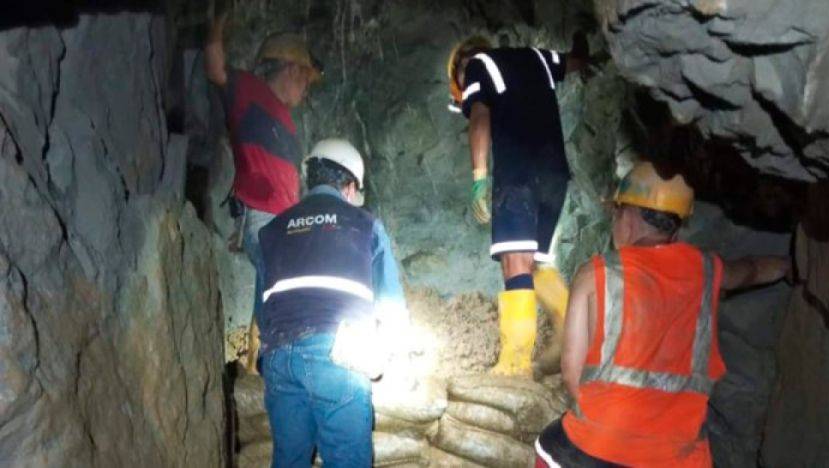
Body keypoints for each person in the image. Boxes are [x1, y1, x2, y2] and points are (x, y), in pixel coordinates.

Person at [534, 161, 791, 467]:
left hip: (599, 443)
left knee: (547, 449)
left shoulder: (596, 274)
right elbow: (751, 271)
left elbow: (571, 369)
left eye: (616, 211)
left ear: (628, 216)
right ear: (676, 225)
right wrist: (790, 265)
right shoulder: (707, 269)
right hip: (678, 457)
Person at [257, 138, 409, 467]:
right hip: (338, 355)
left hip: (279, 359)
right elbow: (393, 309)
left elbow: (263, 311)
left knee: (288, 459)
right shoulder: (365, 224)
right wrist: (387, 356)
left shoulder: (271, 230)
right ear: (350, 187)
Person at [446, 32, 590, 376]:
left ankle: (514, 364)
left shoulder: (478, 65)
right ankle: (572, 343)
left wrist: (480, 177)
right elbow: (575, 62)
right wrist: (583, 45)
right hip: (554, 174)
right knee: (534, 263)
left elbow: (480, 117)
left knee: (514, 263)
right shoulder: (536, 57)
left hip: (519, 175)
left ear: (462, 67)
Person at [204, 14, 322, 373]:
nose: (306, 89)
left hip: (283, 217)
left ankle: (259, 359)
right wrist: (217, 22)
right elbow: (216, 70)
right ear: (290, 70)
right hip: (262, 211)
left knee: (272, 279)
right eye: (304, 78)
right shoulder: (249, 89)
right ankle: (271, 360)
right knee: (278, 278)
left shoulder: (285, 119)